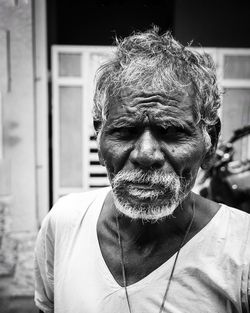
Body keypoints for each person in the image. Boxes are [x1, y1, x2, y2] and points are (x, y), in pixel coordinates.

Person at [34, 28, 250, 313]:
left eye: (172, 131)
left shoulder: (242, 248)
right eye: (124, 131)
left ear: (210, 144)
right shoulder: (64, 223)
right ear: (99, 141)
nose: (145, 154)